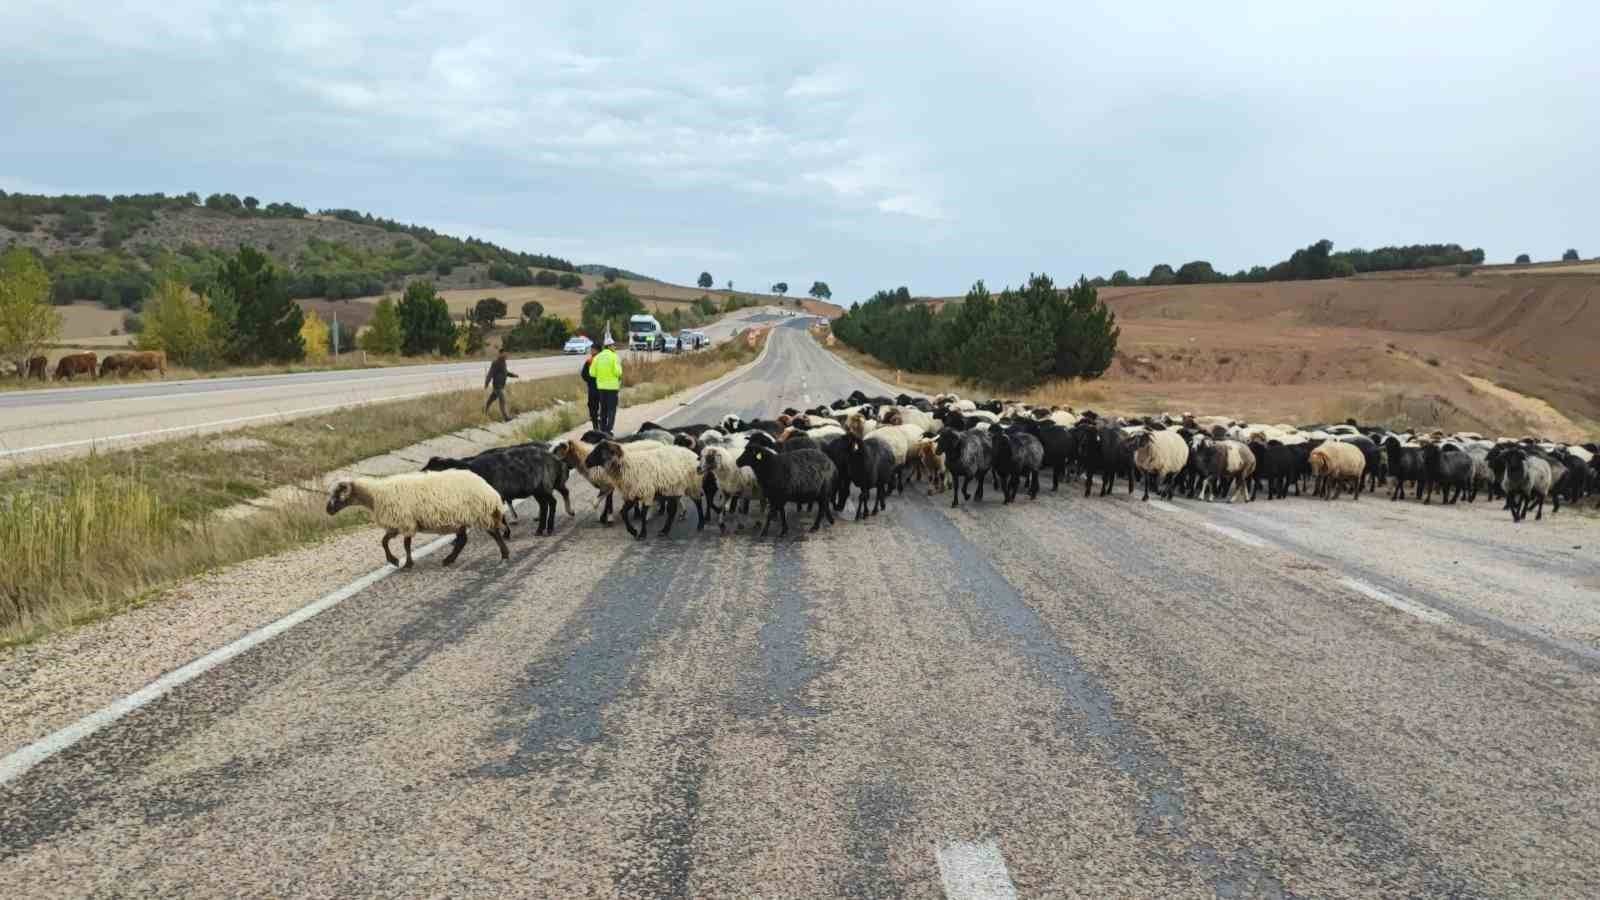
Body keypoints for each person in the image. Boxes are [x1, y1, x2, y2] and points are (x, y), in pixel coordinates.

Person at [591, 334, 623, 434]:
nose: (615, 347)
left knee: (603, 409)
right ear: (609, 346)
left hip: (601, 388)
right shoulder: (614, 356)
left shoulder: (597, 357)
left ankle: (603, 429)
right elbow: (618, 372)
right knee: (611, 409)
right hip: (612, 388)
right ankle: (609, 430)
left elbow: (592, 373)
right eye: (613, 345)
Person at [484, 347, 518, 421]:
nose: (507, 355)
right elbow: (490, 373)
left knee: (491, 399)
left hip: (501, 386)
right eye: (505, 354)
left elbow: (505, 372)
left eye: (507, 354)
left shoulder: (503, 362)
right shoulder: (496, 362)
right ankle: (506, 418)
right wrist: (487, 382)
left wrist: (513, 375)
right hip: (497, 386)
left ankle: (485, 411)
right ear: (500, 354)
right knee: (502, 399)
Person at [579, 344, 601, 430]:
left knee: (592, 406)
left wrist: (590, 381)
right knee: (602, 406)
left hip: (593, 387)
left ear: (597, 350)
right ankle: (603, 425)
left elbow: (584, 374)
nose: (591, 351)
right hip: (604, 386)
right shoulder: (604, 359)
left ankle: (595, 426)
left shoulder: (590, 361)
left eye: (592, 350)